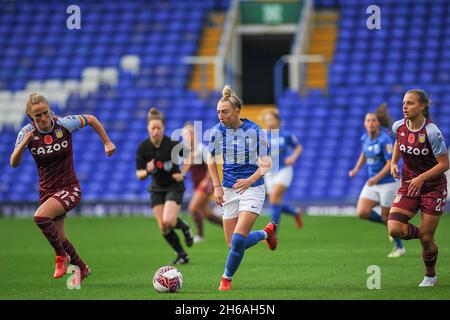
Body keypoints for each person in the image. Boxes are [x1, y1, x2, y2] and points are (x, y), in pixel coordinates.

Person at [10, 93, 116, 285]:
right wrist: (21, 147)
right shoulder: (26, 133)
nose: (43, 118)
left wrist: (107, 142)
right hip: (47, 192)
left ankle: (61, 256)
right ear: (30, 117)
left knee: (40, 217)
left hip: (70, 188)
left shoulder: (64, 124)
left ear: (50, 110)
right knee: (61, 237)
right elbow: (13, 163)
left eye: (45, 113)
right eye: (37, 116)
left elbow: (91, 119)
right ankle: (82, 268)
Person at [207, 85, 277, 291]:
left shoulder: (255, 131)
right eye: (218, 112)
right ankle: (267, 233)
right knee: (232, 244)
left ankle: (225, 280)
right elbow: (210, 159)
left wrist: (250, 180)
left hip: (253, 188)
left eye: (224, 111)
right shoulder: (217, 131)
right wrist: (217, 186)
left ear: (236, 111)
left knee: (238, 241)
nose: (221, 115)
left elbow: (267, 163)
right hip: (229, 190)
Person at [388, 89, 449, 287]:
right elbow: (399, 142)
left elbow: (444, 164)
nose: (405, 106)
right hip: (409, 184)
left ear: (422, 106)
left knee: (427, 240)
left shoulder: (431, 132)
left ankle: (430, 276)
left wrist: (421, 178)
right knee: (395, 229)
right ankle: (424, 235)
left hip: (433, 187)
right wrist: (393, 162)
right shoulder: (398, 126)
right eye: (404, 103)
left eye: (410, 103)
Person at [136, 107, 194, 265]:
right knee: (163, 226)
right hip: (157, 188)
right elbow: (139, 174)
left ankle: (185, 227)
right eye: (152, 128)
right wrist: (147, 171)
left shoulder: (172, 144)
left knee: (168, 220)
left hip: (174, 186)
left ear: (163, 128)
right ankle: (182, 254)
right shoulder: (143, 148)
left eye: (158, 128)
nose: (155, 131)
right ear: (148, 128)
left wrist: (182, 174)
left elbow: (190, 156)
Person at [348, 103, 405, 258]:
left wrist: (375, 178)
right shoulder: (365, 137)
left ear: (378, 123)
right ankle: (389, 225)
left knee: (387, 216)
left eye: (374, 120)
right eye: (368, 120)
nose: (371, 123)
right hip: (373, 183)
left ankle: (399, 247)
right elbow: (364, 154)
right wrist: (356, 169)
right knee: (362, 212)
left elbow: (389, 164)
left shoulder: (385, 140)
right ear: (364, 123)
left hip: (387, 183)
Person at [180, 122, 222, 243]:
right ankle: (229, 227)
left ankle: (199, 236)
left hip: (205, 184)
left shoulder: (201, 148)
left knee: (193, 208)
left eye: (190, 133)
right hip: (196, 184)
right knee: (208, 214)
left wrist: (206, 180)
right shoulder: (186, 150)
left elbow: (211, 165)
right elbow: (187, 165)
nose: (188, 136)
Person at [262, 109, 304, 230]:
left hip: (284, 170)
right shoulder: (263, 135)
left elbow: (298, 147)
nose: (268, 122)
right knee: (275, 202)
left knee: (274, 197)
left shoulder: (285, 134)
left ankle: (272, 233)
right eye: (266, 120)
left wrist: (293, 157)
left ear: (277, 120)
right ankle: (295, 212)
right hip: (270, 172)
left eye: (270, 119)